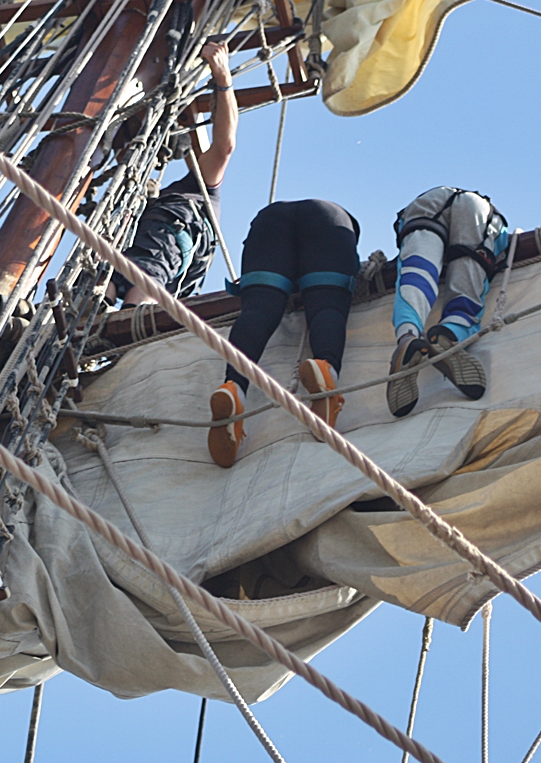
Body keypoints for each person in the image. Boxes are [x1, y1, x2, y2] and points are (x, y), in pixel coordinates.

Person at [208, 200, 361, 468]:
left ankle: (233, 386)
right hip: (331, 218)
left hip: (269, 218)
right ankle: (325, 371)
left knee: (257, 311)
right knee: (327, 305)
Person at [107, 39, 237, 306]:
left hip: (164, 246)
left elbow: (224, 147)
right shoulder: (140, 201)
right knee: (94, 286)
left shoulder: (200, 190)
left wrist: (223, 77)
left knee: (136, 290)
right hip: (139, 257)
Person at [386, 186, 509, 417]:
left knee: (417, 274)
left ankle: (408, 335)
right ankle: (451, 330)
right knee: (468, 287)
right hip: (478, 208)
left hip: (427, 202)